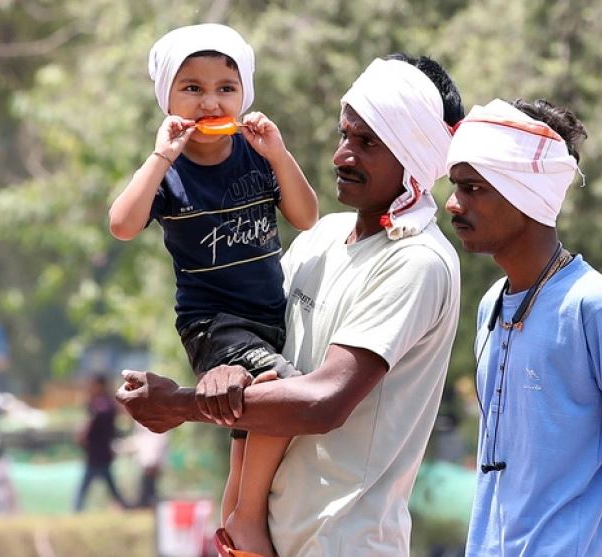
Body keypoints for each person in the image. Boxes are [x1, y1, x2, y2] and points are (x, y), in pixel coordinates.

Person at [118, 54, 464, 557]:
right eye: (344, 136)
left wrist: (180, 404)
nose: (342, 156)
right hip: (270, 543)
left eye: (367, 143)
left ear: (413, 154)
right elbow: (260, 361)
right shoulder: (323, 239)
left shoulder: (417, 262)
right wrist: (225, 371)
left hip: (345, 542)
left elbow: (323, 402)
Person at [108, 23, 318, 555]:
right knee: (280, 393)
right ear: (168, 100)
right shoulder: (170, 173)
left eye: (226, 87)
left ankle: (231, 526)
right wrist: (160, 157)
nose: (210, 101)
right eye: (192, 88)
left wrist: (279, 154)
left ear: (244, 94)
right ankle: (248, 521)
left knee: (250, 427)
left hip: (269, 317)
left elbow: (307, 216)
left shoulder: (255, 156)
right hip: (213, 325)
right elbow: (122, 224)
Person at [444, 98, 602, 556]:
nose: (453, 203)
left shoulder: (599, 308)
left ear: (526, 194)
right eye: (455, 185)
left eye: (473, 188)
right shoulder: (491, 304)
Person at [74, 374, 129, 512]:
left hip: (98, 452)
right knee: (108, 485)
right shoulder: (106, 403)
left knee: (86, 486)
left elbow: (92, 424)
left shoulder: (101, 405)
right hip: (100, 451)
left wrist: (84, 434)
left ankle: (76, 509)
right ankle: (124, 506)